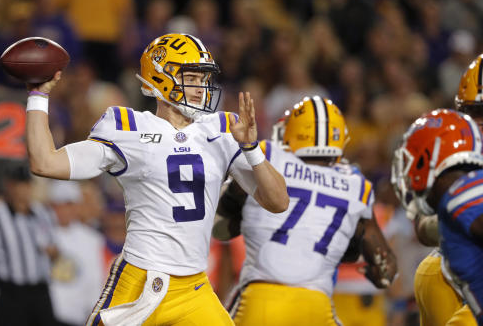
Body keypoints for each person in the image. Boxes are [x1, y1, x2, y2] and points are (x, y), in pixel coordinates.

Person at [25, 33, 288, 326]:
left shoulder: (223, 129)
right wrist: (39, 95)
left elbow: (278, 202)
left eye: (204, 79)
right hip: (140, 281)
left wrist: (251, 149)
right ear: (161, 76)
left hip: (194, 288)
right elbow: (45, 162)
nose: (201, 88)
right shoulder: (128, 128)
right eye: (192, 77)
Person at [213, 96, 396, 325]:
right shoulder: (357, 184)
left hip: (262, 299)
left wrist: (234, 204)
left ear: (294, 132)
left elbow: (221, 229)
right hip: (316, 306)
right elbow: (386, 269)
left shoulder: (266, 156)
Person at [391, 56, 483, 326]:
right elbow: (420, 223)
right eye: (472, 111)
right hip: (449, 274)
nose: (479, 123)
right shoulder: (457, 149)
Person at [0, 165, 59, 326]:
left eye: (26, 184)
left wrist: (53, 253)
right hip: (11, 293)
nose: (24, 190)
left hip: (40, 291)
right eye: (19, 184)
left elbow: (54, 251)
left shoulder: (43, 214)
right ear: (8, 186)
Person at [48, 180, 105, 326]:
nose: (64, 210)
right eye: (59, 205)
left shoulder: (92, 240)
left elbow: (95, 282)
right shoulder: (41, 234)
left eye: (69, 204)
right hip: (44, 316)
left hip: (77, 318)